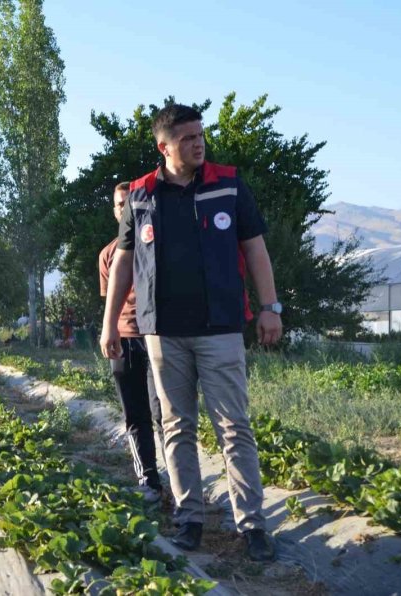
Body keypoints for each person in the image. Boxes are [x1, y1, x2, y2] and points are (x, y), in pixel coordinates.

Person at [100, 103, 283, 562]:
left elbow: (255, 249)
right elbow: (123, 262)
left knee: (234, 426)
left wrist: (269, 307)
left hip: (221, 328)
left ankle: (252, 525)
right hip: (163, 332)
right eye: (186, 138)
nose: (198, 143)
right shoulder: (141, 195)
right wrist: (109, 325)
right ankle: (190, 518)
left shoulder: (229, 184)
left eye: (200, 135)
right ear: (164, 147)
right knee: (177, 426)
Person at [98, 181, 165, 503]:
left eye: (128, 202)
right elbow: (111, 300)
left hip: (160, 338)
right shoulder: (108, 254)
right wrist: (108, 329)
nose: (123, 209)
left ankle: (179, 479)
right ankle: (149, 480)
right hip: (125, 339)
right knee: (135, 414)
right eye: (117, 204)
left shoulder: (158, 243)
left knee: (164, 411)